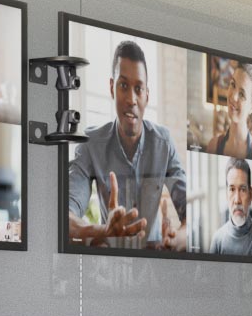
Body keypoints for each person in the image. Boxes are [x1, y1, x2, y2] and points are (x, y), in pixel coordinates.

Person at [66, 39, 188, 249]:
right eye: (123, 86)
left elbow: (192, 218)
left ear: (147, 96)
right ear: (112, 88)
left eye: (138, 89)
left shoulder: (163, 143)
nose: (131, 99)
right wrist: (102, 232)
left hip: (156, 265)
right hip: (112, 267)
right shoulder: (89, 145)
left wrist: (177, 240)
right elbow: (64, 216)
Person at [204, 156, 252, 257]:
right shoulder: (217, 240)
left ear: (250, 195)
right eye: (232, 189)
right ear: (226, 195)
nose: (237, 200)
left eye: (243, 189)